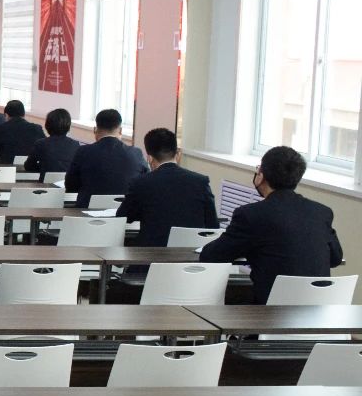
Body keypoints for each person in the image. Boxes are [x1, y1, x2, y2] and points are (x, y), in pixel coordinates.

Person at [200, 146, 344, 304]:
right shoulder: (322, 212)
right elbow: (336, 258)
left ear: (261, 175)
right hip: (317, 310)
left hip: (271, 311)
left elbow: (212, 256)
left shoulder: (251, 215)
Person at [117, 128, 218, 247]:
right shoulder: (201, 182)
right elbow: (213, 225)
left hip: (150, 255)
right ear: (178, 154)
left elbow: (123, 217)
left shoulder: (140, 183)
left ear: (149, 158)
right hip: (190, 255)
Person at [65, 109, 149, 208]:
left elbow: (71, 184)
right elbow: (145, 183)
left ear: (95, 130)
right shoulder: (136, 153)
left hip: (86, 212)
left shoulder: (83, 152)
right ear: (120, 130)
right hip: (124, 212)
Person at [23, 108, 80, 176]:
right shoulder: (75, 145)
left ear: (47, 125)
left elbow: (28, 166)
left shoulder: (40, 144)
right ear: (68, 126)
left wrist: (42, 168)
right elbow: (77, 168)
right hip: (67, 181)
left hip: (45, 181)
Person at [0, 100, 45, 165]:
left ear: (6, 115)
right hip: (31, 168)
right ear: (24, 114)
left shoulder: (1, 129)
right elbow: (43, 148)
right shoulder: (37, 128)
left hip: (7, 168)